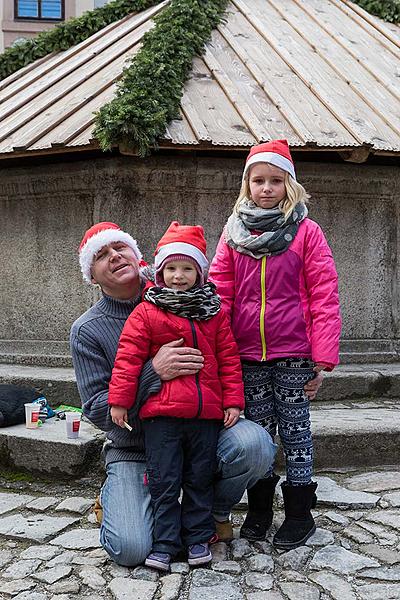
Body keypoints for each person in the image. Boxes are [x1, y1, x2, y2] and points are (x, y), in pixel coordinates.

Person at [70, 221, 277, 567]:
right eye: (102, 255)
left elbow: (227, 349)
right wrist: (154, 371)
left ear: (140, 258)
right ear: (92, 276)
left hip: (200, 429)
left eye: (120, 248)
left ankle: (212, 515)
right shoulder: (87, 331)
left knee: (255, 445)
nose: (114, 257)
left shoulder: (184, 291)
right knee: (131, 549)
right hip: (135, 446)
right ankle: (116, 500)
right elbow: (97, 409)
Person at [209, 139, 341, 550]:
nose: (266, 188)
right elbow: (220, 292)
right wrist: (218, 349)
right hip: (247, 353)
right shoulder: (232, 234)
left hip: (294, 351)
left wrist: (322, 359)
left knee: (296, 431)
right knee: (262, 434)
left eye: (275, 181)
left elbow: (324, 292)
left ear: (290, 184)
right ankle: (261, 508)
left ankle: (300, 512)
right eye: (258, 180)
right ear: (247, 184)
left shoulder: (306, 232)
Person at [108, 222, 245, 571]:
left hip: (204, 417)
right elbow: (128, 358)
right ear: (159, 271)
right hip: (162, 417)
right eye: (171, 268)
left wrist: (232, 401)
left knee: (199, 478)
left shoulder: (213, 313)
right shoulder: (147, 311)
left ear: (199, 273)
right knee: (165, 480)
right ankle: (166, 541)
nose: (179, 276)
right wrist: (120, 400)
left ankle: (197, 537)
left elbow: (229, 359)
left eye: (187, 269)